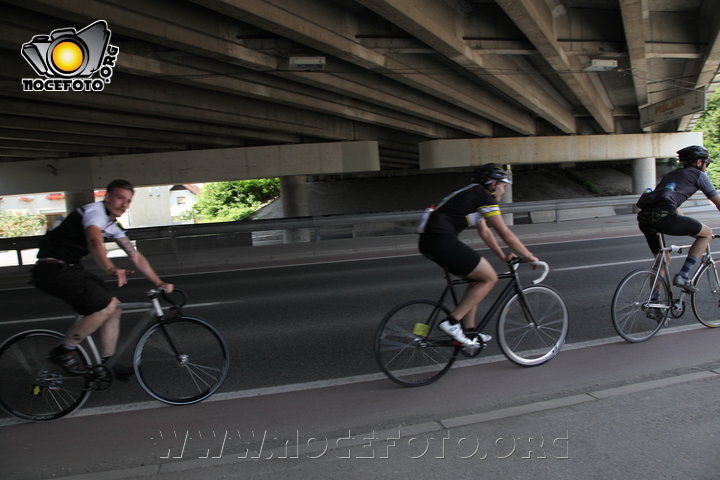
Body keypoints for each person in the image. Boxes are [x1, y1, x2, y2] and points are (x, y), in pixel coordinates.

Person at [31, 179, 174, 376]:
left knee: (113, 308)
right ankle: (64, 351)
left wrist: (158, 282)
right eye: (120, 198)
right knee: (104, 306)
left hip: (69, 268)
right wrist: (110, 268)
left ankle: (108, 362)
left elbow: (135, 255)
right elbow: (93, 240)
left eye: (128, 201)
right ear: (107, 197)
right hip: (53, 270)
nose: (124, 204)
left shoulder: (111, 224)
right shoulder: (94, 213)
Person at [418, 163, 538, 346]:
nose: (503, 191)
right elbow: (507, 235)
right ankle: (452, 323)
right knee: (489, 278)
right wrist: (529, 255)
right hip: (441, 239)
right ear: (492, 184)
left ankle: (470, 333)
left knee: (476, 281)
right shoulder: (484, 198)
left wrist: (502, 256)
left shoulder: (473, 194)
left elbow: (485, 232)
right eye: (503, 185)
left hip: (430, 241)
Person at [637, 145, 720, 294]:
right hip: (665, 217)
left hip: (645, 219)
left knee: (663, 261)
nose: (707, 166)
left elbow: (669, 202)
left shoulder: (672, 175)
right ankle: (683, 276)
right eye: (707, 163)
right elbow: (717, 202)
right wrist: (697, 230)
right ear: (699, 162)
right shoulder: (699, 175)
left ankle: (654, 304)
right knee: (707, 234)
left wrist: (690, 226)